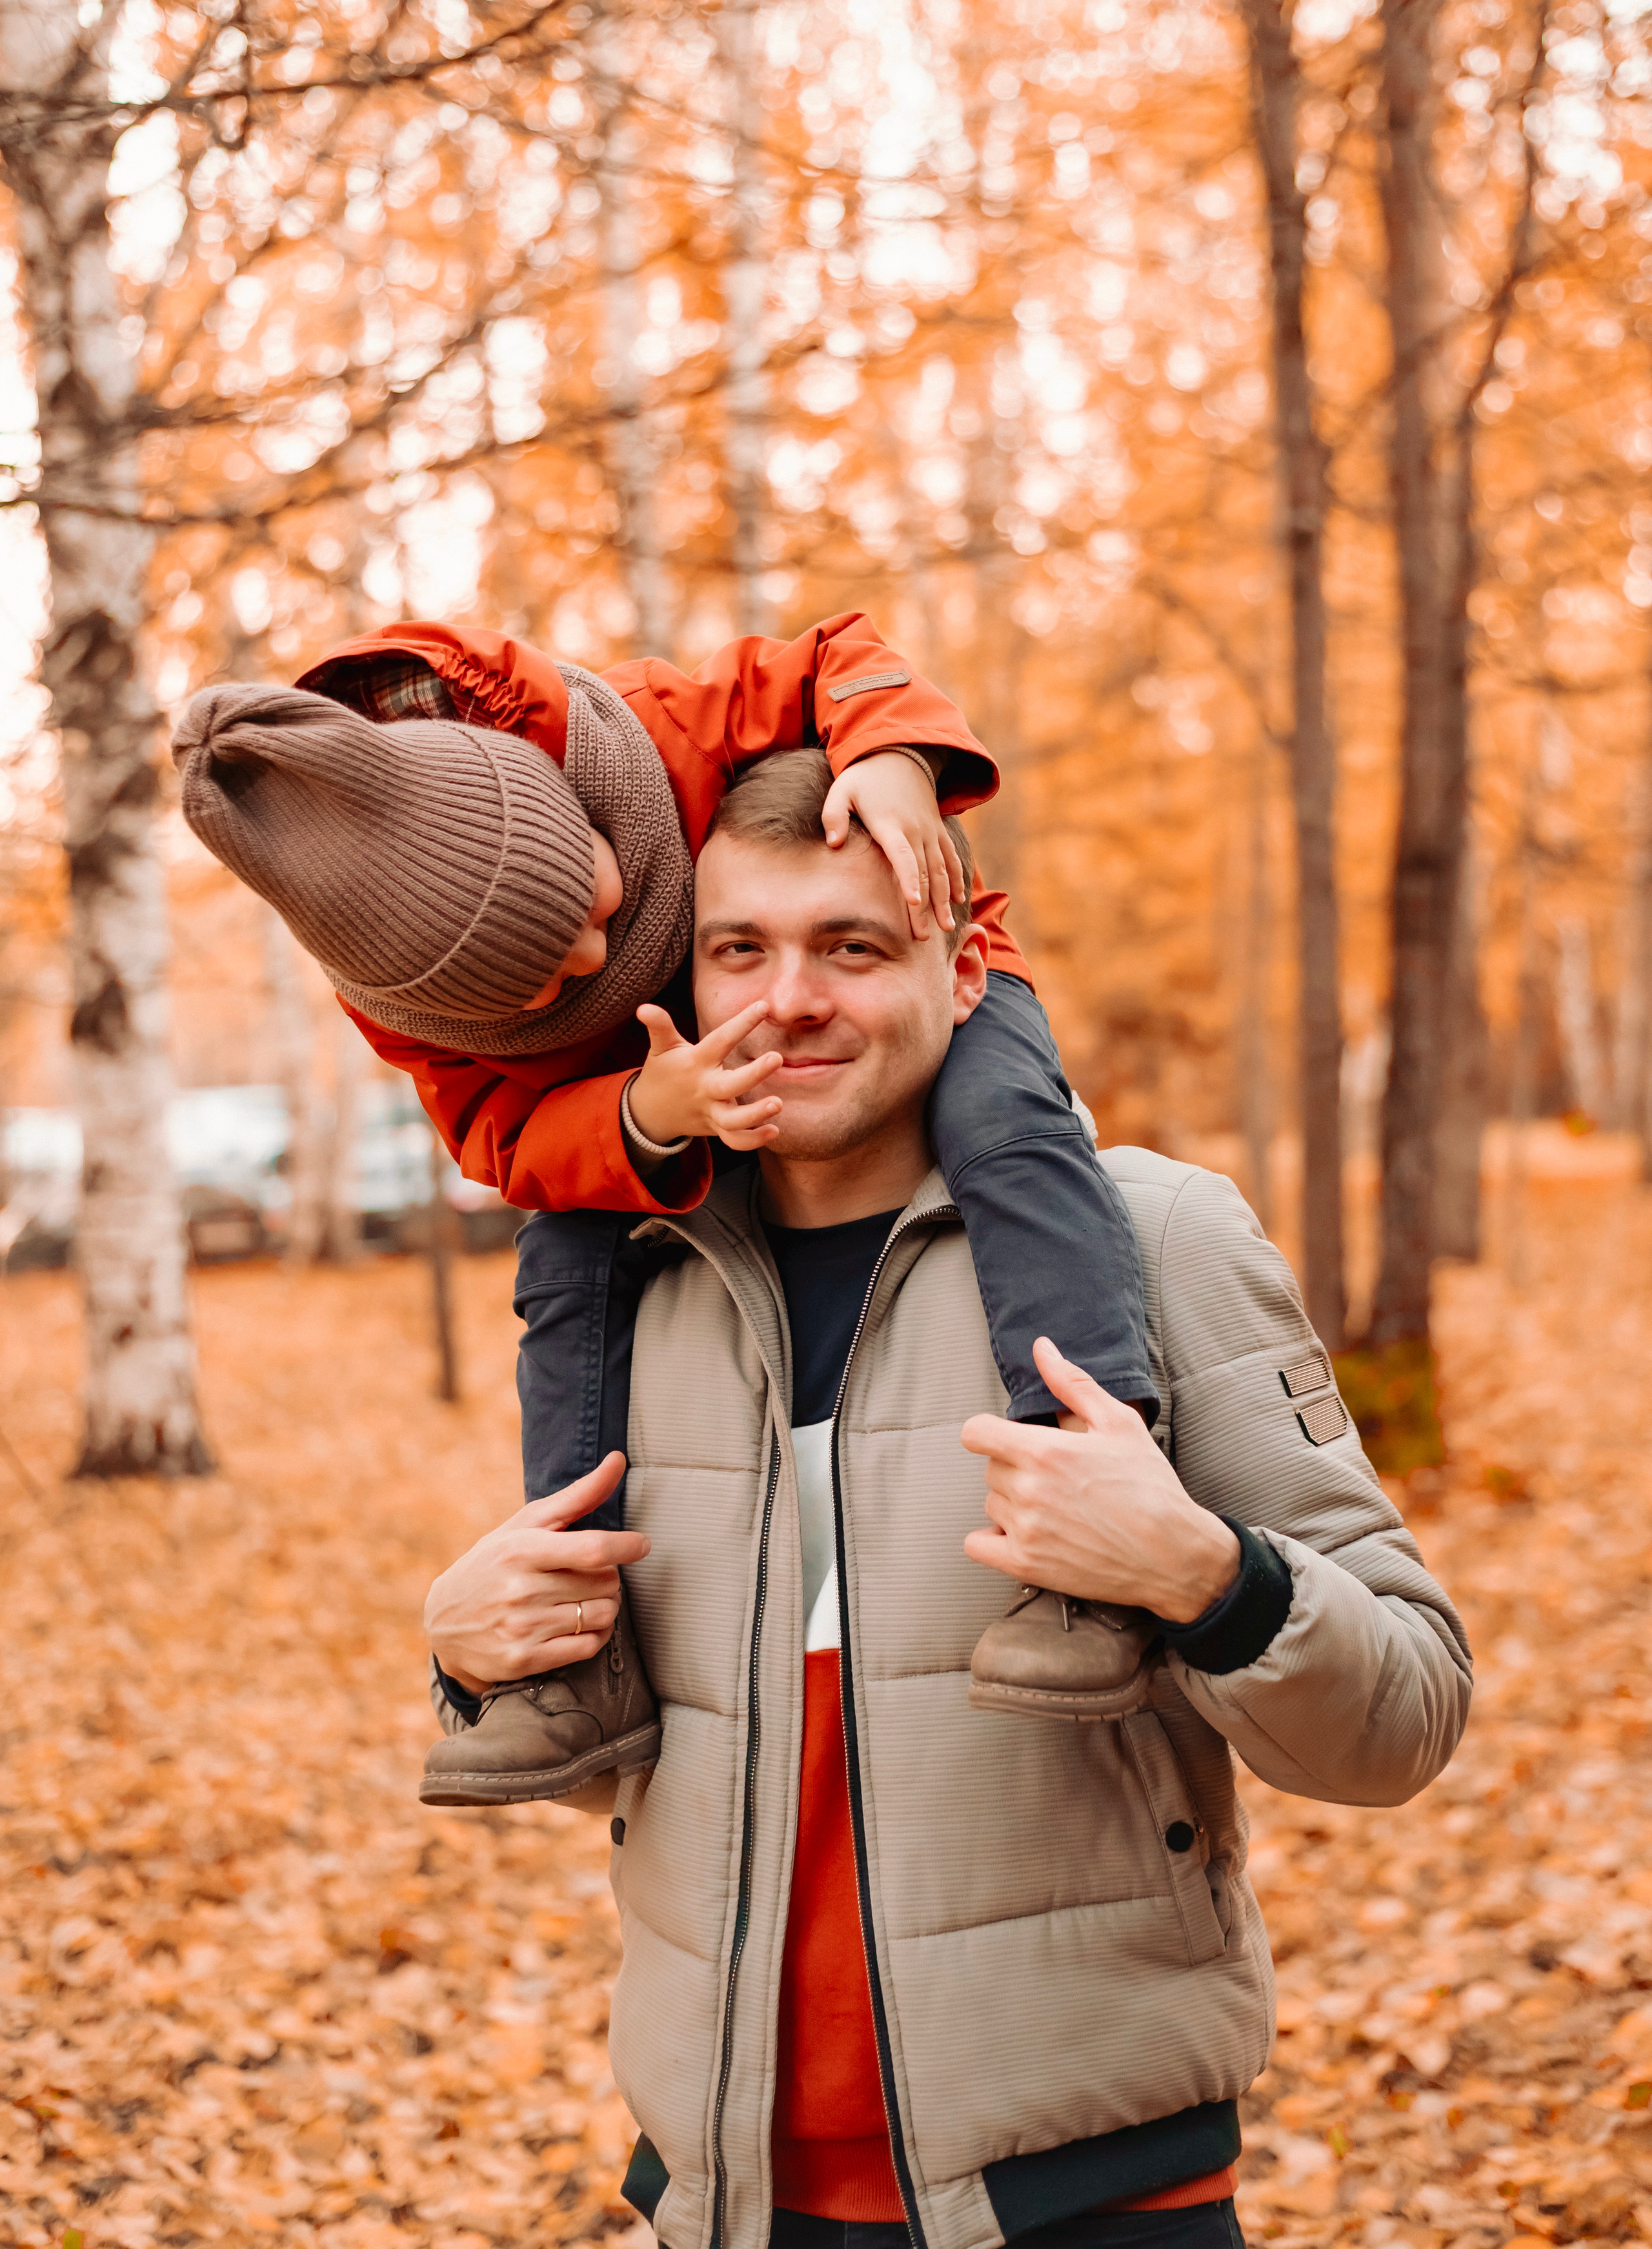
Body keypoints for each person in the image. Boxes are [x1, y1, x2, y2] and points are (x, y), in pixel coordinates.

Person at [421, 746, 1473, 2249]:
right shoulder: (637, 1283)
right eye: (743, 950)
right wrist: (471, 1660)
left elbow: (1406, 1718)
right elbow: (666, 1768)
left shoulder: (1152, 1243)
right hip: (724, 2204)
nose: (790, 999)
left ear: (965, 965)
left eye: (851, 945)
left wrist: (1200, 1573)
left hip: (1091, 2198)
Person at [172, 614, 1159, 1806]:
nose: (599, 954)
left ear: (574, 811)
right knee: (561, 1273)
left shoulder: (639, 730)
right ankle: (571, 1651)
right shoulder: (410, 1001)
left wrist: (893, 755)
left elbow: (837, 653)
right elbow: (507, 1139)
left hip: (907, 956)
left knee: (1010, 1135)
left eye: (588, 901)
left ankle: (1092, 1493)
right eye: (542, 983)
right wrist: (641, 1107)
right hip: (639, 1096)